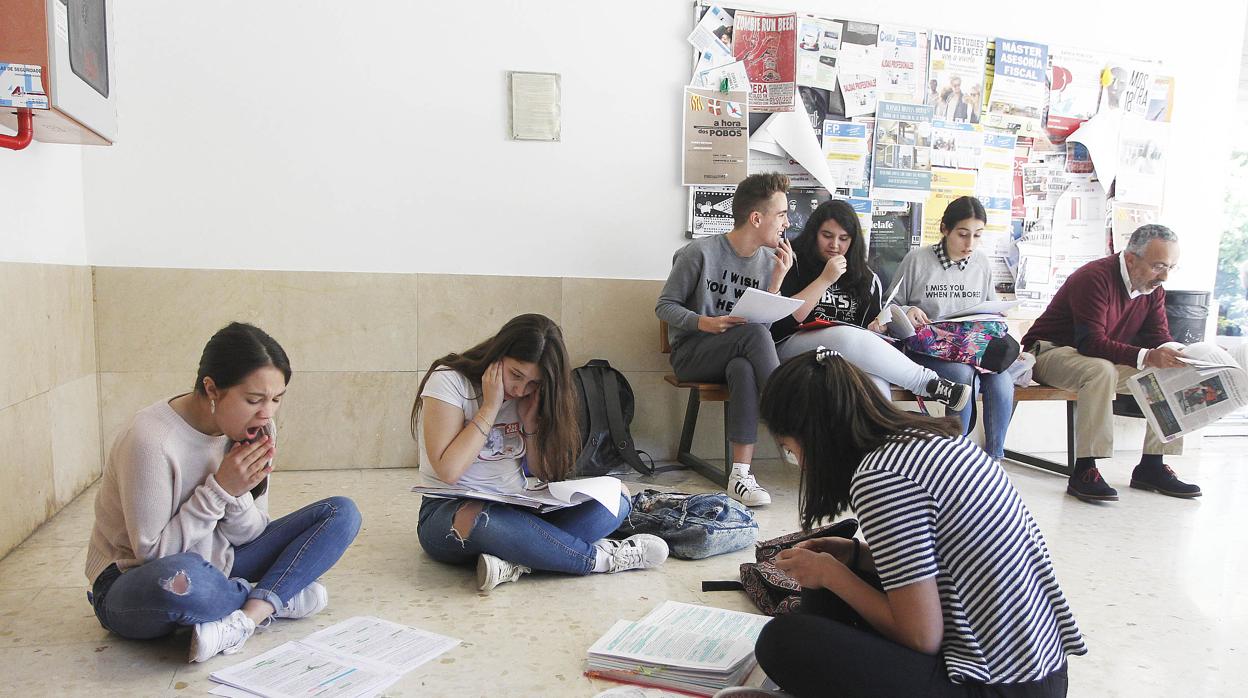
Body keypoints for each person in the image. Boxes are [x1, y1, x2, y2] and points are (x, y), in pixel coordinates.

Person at [749, 348, 1085, 697]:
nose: (800, 464)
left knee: (784, 641)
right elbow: (943, 564)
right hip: (1038, 671)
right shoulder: (928, 440)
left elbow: (921, 636)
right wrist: (854, 556)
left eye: (793, 449)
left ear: (816, 437)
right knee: (826, 589)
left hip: (996, 685)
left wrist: (832, 574)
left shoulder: (880, 477)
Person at [85, 322, 361, 662]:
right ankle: (274, 593)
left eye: (276, 399)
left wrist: (237, 493)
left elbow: (251, 533)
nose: (267, 412)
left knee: (341, 513)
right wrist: (220, 489)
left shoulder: (256, 429)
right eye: (253, 399)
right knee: (184, 580)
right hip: (137, 582)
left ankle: (247, 617)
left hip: (223, 562)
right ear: (212, 389)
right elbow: (153, 555)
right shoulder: (150, 440)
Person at [413, 313, 668, 591]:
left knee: (616, 500)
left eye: (533, 383)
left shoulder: (530, 397)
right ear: (498, 354)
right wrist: (489, 408)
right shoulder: (449, 381)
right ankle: (600, 559)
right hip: (450, 514)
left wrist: (531, 425)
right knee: (484, 519)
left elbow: (545, 473)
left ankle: (516, 562)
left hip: (520, 506)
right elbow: (448, 472)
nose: (520, 389)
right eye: (515, 375)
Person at [1021, 224, 1240, 502]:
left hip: (1101, 358)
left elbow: (1158, 336)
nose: (1165, 276)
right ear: (1130, 259)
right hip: (1050, 352)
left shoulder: (1153, 290)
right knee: (1100, 370)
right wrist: (1147, 356)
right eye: (1159, 266)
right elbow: (1090, 342)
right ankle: (1085, 469)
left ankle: (1152, 465)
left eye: (1172, 267)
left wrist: (1185, 354)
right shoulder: (1094, 277)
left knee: (1168, 370)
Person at [656, 172, 794, 507]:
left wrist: (776, 283)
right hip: (692, 353)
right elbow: (664, 306)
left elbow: (762, 325)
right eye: (781, 214)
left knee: (743, 367)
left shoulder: (768, 262)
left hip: (736, 351)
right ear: (756, 218)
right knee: (752, 338)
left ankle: (740, 477)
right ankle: (791, 425)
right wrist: (703, 322)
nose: (787, 223)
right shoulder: (699, 253)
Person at [771, 199, 971, 411]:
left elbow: (867, 333)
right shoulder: (792, 262)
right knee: (845, 335)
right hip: (792, 348)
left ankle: (883, 438)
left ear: (854, 240)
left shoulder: (866, 279)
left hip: (846, 356)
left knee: (875, 381)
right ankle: (926, 382)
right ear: (813, 234)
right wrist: (825, 280)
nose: (835, 245)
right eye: (827, 236)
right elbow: (784, 322)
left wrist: (878, 326)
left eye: (844, 238)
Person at [887, 196, 1015, 462]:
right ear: (945, 229)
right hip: (928, 349)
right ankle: (958, 456)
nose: (970, 244)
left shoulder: (981, 263)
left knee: (1002, 380)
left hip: (970, 347)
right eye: (963, 234)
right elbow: (889, 307)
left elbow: (990, 306)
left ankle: (994, 460)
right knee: (960, 375)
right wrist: (909, 310)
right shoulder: (918, 260)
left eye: (977, 236)